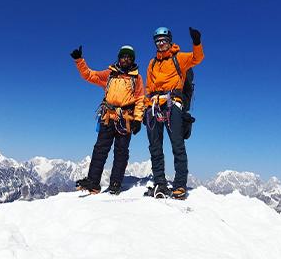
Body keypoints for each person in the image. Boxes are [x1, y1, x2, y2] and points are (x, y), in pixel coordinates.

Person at [71, 44, 145, 194]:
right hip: (108, 116)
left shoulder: (136, 78)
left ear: (132, 60)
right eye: (123, 56)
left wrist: (138, 119)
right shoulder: (110, 74)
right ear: (119, 58)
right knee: (100, 149)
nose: (125, 59)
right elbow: (90, 75)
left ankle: (116, 183)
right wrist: (80, 61)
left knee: (121, 151)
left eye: (129, 57)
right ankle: (93, 182)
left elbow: (140, 99)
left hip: (126, 118)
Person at [144, 27, 204, 199]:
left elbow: (197, 58)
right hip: (154, 105)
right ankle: (160, 183)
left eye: (163, 40)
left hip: (173, 104)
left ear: (169, 41)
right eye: (158, 41)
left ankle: (179, 185)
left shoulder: (180, 57)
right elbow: (149, 87)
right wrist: (146, 107)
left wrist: (197, 43)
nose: (161, 44)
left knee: (177, 145)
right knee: (155, 147)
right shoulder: (152, 63)